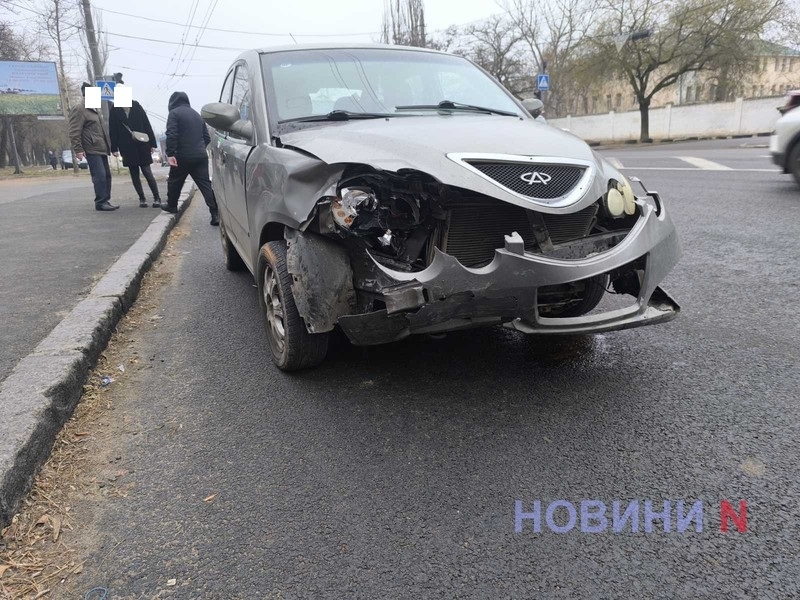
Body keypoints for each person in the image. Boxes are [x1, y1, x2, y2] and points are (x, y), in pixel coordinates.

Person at [164, 91, 218, 225]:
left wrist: (170, 154)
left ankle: (172, 205)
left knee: (174, 181)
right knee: (205, 185)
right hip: (200, 156)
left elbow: (171, 134)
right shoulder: (196, 115)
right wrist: (199, 149)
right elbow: (207, 137)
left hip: (182, 156)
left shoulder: (174, 113)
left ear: (172, 102)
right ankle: (215, 214)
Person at [108, 81, 162, 208]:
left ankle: (157, 197)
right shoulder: (115, 110)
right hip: (126, 146)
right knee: (134, 173)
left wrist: (153, 143)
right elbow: (113, 130)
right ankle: (142, 198)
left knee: (147, 171)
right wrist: (114, 148)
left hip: (142, 144)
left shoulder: (136, 105)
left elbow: (146, 123)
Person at [68, 82, 117, 211]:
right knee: (99, 175)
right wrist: (78, 149)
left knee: (106, 175)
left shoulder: (95, 109)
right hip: (91, 148)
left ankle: (106, 200)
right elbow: (74, 131)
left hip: (101, 147)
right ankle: (100, 202)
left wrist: (110, 146)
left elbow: (101, 130)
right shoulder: (79, 109)